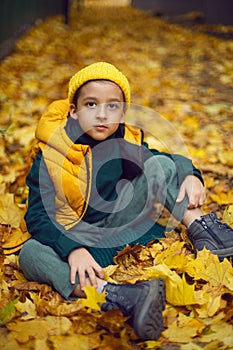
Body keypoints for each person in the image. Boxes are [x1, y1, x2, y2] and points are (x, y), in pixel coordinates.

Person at [18, 62, 233, 340]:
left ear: (122, 113)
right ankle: (117, 295)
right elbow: (37, 216)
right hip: (81, 244)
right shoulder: (50, 154)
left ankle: (206, 231)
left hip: (123, 228)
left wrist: (191, 175)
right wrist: (72, 249)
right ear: (73, 110)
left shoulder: (121, 142)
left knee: (162, 166)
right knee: (31, 253)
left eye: (112, 106)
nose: (101, 115)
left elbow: (164, 162)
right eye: (91, 105)